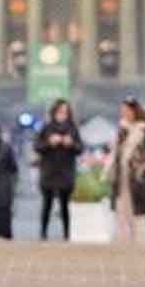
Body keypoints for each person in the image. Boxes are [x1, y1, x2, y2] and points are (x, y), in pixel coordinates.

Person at [108, 98, 145, 244]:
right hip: (121, 176)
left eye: (127, 110)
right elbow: (116, 152)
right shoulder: (122, 129)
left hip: (138, 177)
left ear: (134, 111)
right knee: (121, 211)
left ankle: (140, 245)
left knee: (138, 214)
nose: (124, 113)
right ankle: (122, 245)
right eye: (122, 110)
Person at [34, 99, 84, 240]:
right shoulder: (46, 128)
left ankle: (66, 234)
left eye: (65, 112)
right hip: (48, 171)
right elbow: (37, 146)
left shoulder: (73, 129)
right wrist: (49, 142)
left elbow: (80, 148)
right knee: (47, 204)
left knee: (65, 205)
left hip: (66, 172)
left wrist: (71, 143)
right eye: (60, 111)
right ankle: (43, 234)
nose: (62, 114)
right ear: (54, 112)